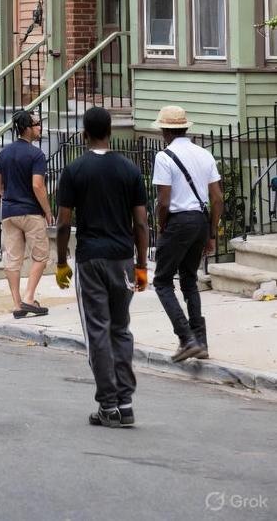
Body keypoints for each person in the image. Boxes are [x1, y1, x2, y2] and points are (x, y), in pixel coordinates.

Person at [55, 106, 149, 429]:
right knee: (120, 329)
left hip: (91, 259)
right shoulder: (130, 170)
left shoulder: (74, 171)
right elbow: (140, 223)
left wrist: (61, 262)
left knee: (97, 329)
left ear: (84, 134)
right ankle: (126, 402)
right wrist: (141, 264)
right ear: (110, 132)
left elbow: (64, 223)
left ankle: (108, 404)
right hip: (123, 258)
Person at [151, 105, 223, 363]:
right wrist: (211, 232)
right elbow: (217, 197)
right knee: (189, 280)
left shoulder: (164, 157)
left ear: (164, 131)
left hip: (178, 221)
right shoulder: (204, 154)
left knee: (162, 281)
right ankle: (200, 341)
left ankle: (186, 338)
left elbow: (163, 201)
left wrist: (162, 227)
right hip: (200, 221)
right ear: (185, 128)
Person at [0, 108, 53, 317]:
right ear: (27, 128)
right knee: (40, 256)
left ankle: (18, 305)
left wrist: (8, 196)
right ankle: (29, 297)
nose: (39, 128)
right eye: (36, 125)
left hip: (9, 211)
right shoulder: (36, 154)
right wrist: (47, 211)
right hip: (31, 212)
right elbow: (38, 185)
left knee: (12, 260)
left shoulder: (4, 153)